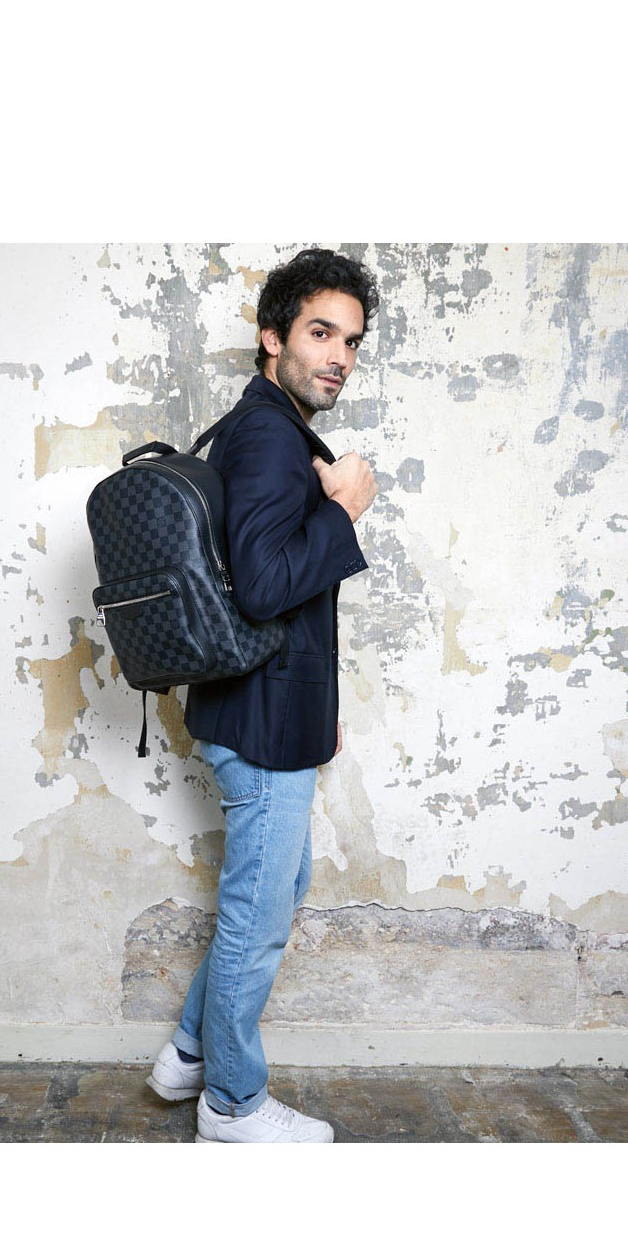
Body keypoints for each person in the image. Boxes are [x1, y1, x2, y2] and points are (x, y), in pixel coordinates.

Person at [146, 248, 380, 1142]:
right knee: (259, 911)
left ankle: (187, 1056)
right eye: (321, 333)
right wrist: (345, 507)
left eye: (351, 342)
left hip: (270, 709)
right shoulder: (270, 433)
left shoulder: (267, 426)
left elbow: (273, 591)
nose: (338, 357)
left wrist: (322, 710)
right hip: (262, 721)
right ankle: (232, 1106)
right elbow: (264, 584)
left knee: (270, 892)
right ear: (272, 336)